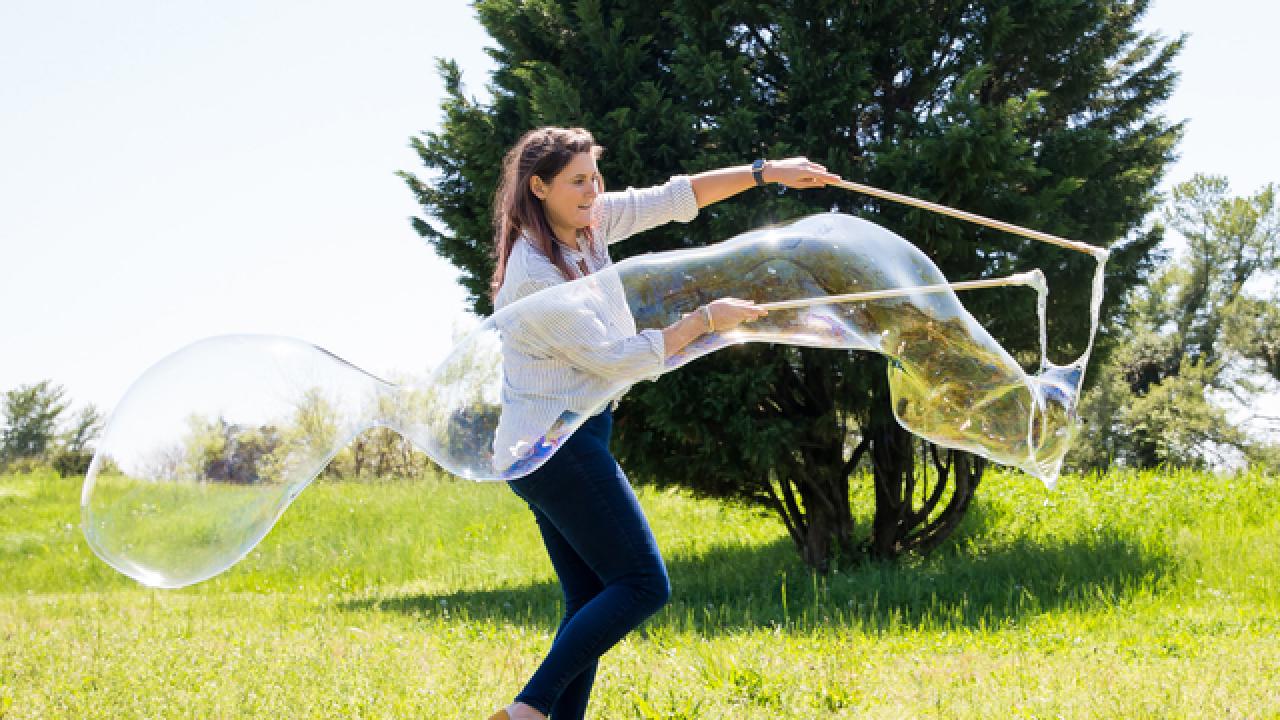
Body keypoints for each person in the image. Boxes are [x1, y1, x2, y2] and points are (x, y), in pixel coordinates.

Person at [487, 126, 841, 720]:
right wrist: (704, 320)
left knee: (590, 597)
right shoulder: (532, 273)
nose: (592, 191)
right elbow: (613, 358)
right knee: (643, 584)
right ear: (539, 186)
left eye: (594, 177)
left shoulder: (588, 224)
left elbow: (676, 198)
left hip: (569, 437)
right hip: (554, 447)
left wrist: (768, 170)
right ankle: (527, 709)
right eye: (577, 181)